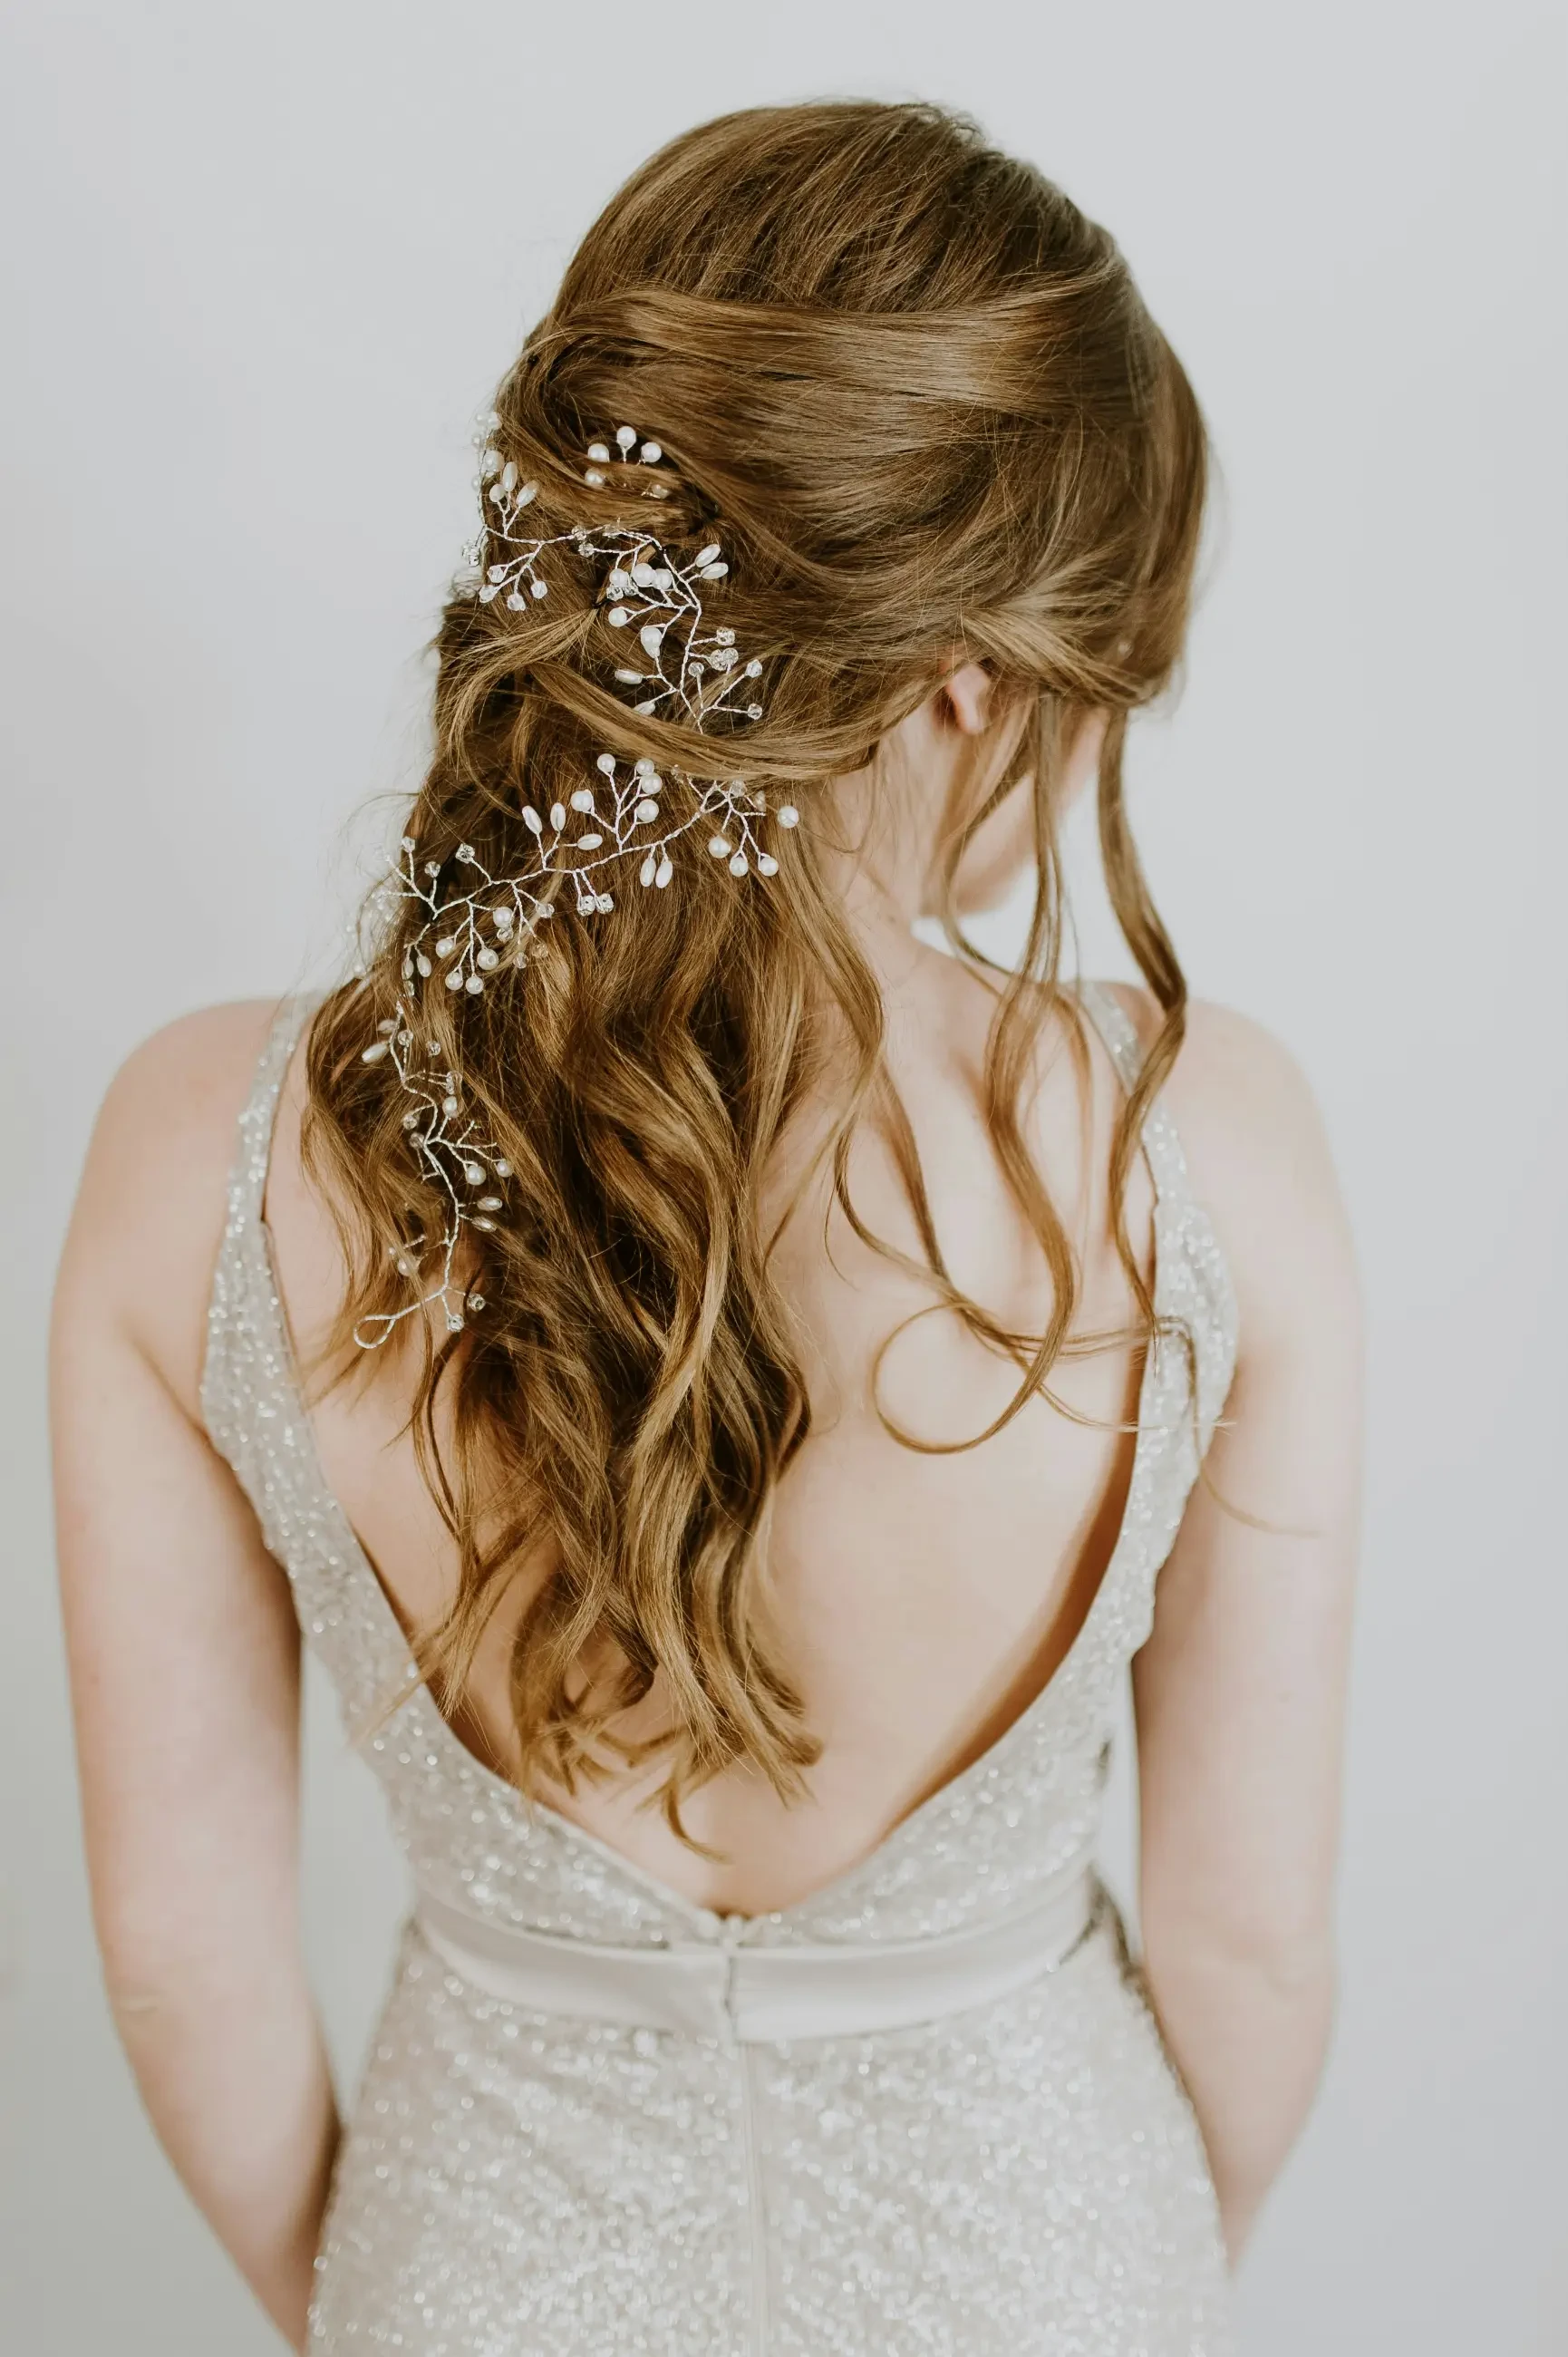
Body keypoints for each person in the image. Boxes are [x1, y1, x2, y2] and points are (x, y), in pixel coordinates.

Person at [51, 99, 1360, 2356]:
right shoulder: (1203, 1144)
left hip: (481, 2280)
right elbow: (1247, 1946)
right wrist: (1114, 2257)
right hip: (1049, 2273)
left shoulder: (199, 1146)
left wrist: (371, 2294)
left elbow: (180, 1948)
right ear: (973, 673)